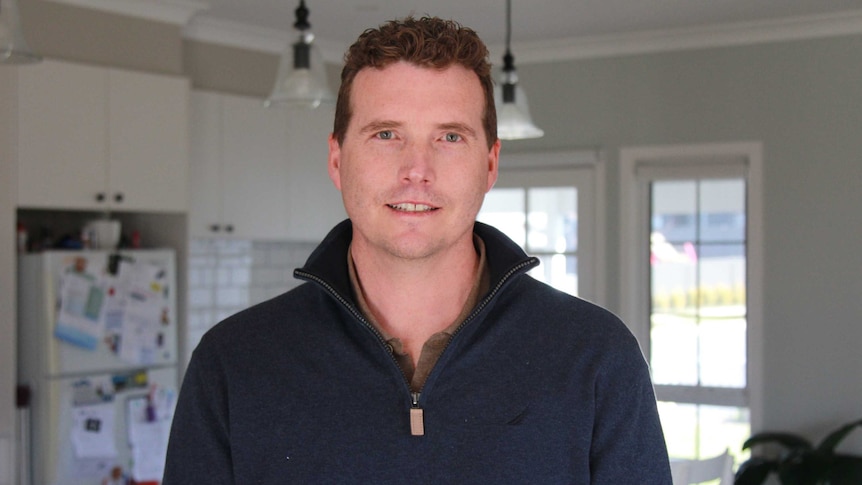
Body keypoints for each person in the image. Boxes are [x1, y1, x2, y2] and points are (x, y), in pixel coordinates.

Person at [163, 16, 672, 484]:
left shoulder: (597, 357)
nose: (417, 170)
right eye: (386, 134)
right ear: (338, 159)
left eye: (450, 137)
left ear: (490, 164)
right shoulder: (233, 364)